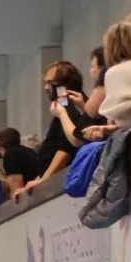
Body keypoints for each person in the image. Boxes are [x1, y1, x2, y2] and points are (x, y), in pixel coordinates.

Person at [27, 61, 97, 193]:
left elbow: (65, 149)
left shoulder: (68, 107)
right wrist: (38, 179)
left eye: (49, 83)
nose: (46, 88)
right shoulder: (65, 106)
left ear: (62, 85)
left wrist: (43, 181)